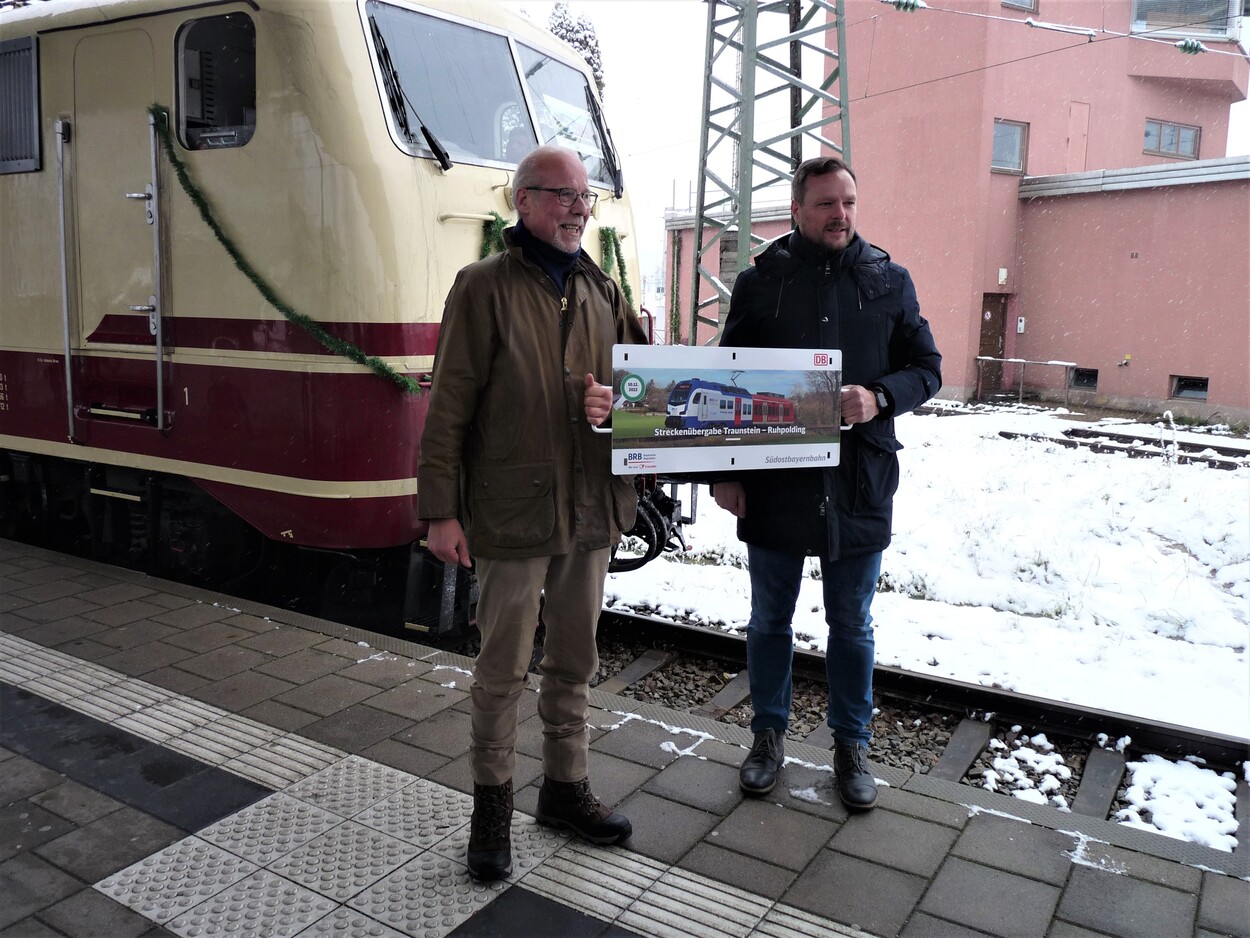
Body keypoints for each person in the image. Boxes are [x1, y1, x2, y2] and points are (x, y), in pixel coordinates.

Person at [417, 145, 647, 881]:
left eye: (586, 197)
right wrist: (440, 512)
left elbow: (641, 393)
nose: (579, 207)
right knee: (502, 667)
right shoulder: (482, 287)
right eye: (562, 194)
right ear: (523, 201)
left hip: (588, 507)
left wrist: (617, 404)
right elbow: (448, 408)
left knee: (574, 658)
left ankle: (564, 789)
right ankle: (490, 809)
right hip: (512, 510)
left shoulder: (603, 291)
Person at [713, 155, 941, 811]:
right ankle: (767, 738)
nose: (840, 214)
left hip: (857, 482)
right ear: (796, 210)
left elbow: (926, 368)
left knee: (852, 625)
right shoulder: (762, 284)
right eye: (825, 204)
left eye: (848, 202)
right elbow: (727, 379)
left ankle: (851, 746)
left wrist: (879, 395)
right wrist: (725, 473)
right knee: (768, 621)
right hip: (775, 478)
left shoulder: (889, 281)